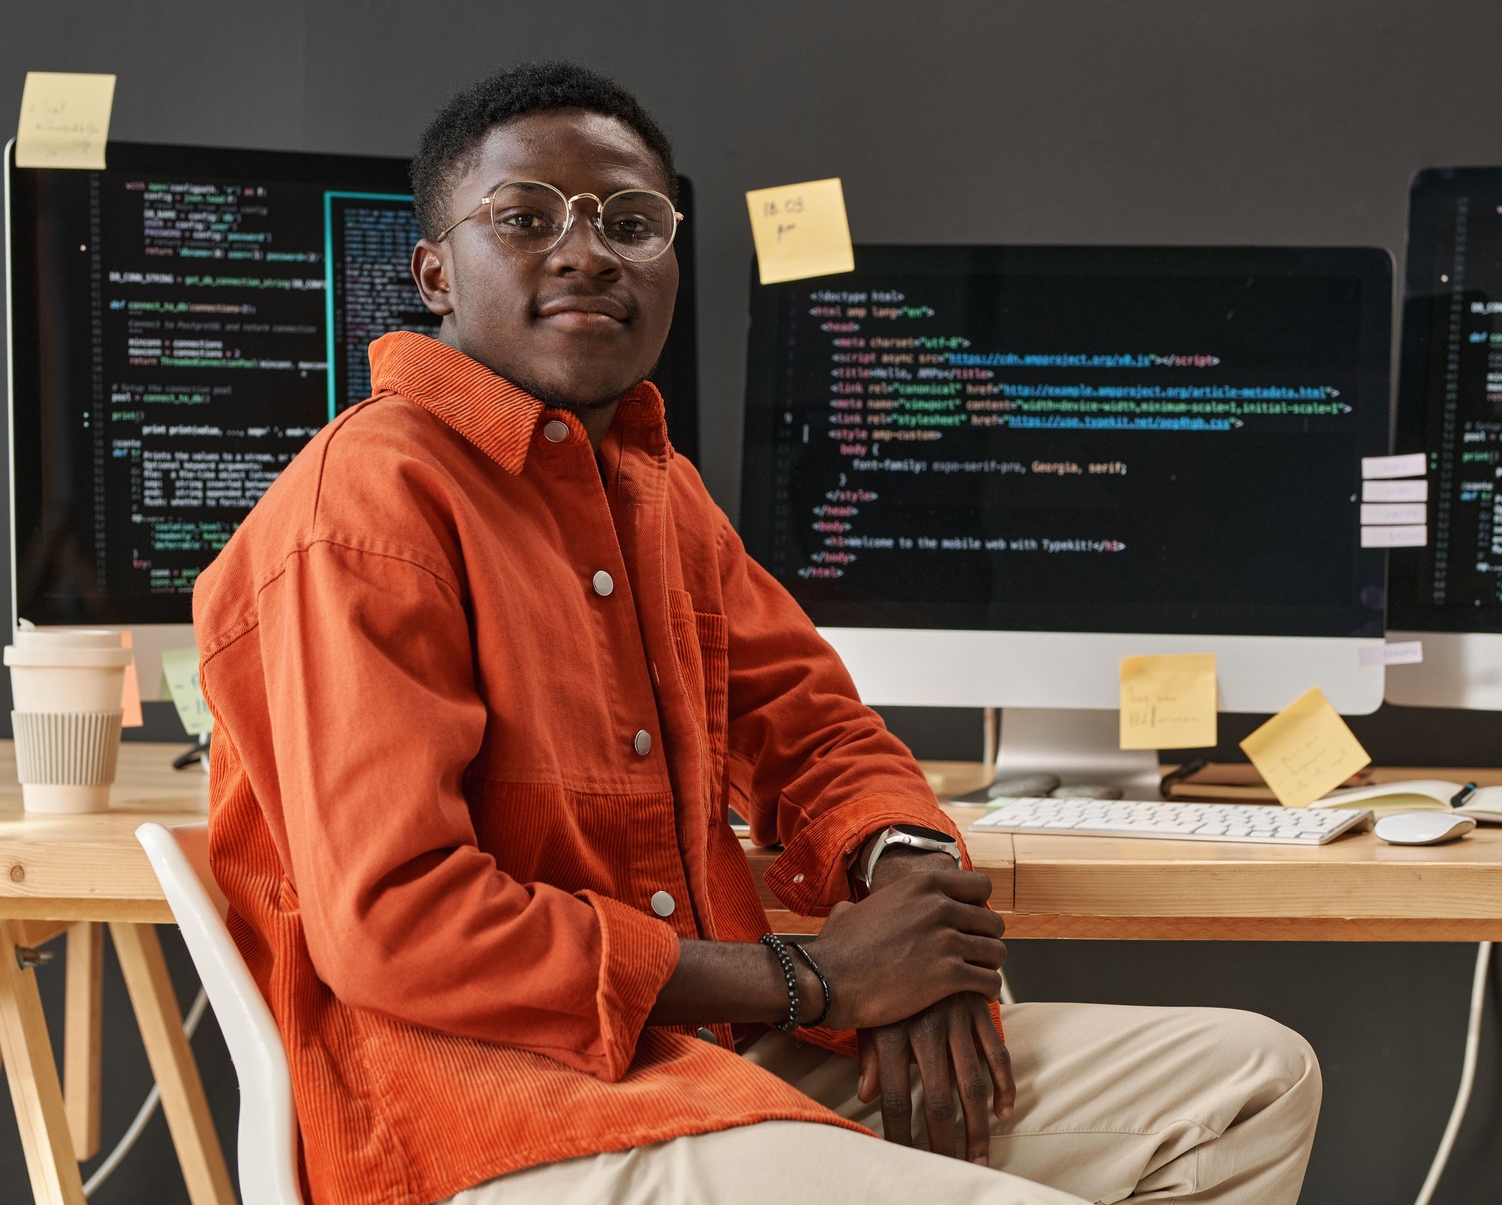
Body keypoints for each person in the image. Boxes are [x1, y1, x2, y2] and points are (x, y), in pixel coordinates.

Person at [195, 60, 1320, 1205]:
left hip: (704, 1060)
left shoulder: (656, 489)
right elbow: (400, 921)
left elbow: (819, 729)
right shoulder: (365, 505)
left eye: (631, 222)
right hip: (492, 1117)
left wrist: (912, 905)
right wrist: (815, 975)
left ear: (671, 266)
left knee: (1251, 1082)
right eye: (526, 218)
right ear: (434, 270)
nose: (588, 252)